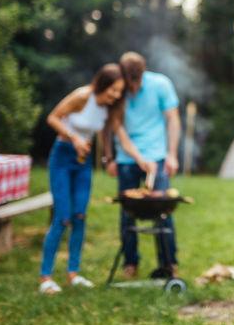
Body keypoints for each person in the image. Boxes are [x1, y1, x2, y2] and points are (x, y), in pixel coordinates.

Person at [39, 63, 151, 294]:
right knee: (62, 217)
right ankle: (46, 277)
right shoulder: (83, 96)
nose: (116, 95)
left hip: (83, 163)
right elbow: (53, 118)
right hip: (62, 157)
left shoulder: (110, 108)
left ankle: (73, 274)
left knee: (80, 215)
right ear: (103, 84)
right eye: (113, 90)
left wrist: (141, 160)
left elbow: (122, 137)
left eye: (119, 92)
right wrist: (74, 138)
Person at [103, 51, 181, 279]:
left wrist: (172, 154)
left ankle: (169, 263)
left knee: (162, 212)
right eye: (130, 83)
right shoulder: (117, 89)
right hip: (127, 159)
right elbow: (111, 127)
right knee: (128, 212)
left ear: (143, 73)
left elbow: (173, 119)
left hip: (156, 156)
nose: (133, 87)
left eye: (136, 82)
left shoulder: (161, 84)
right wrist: (109, 157)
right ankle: (130, 262)